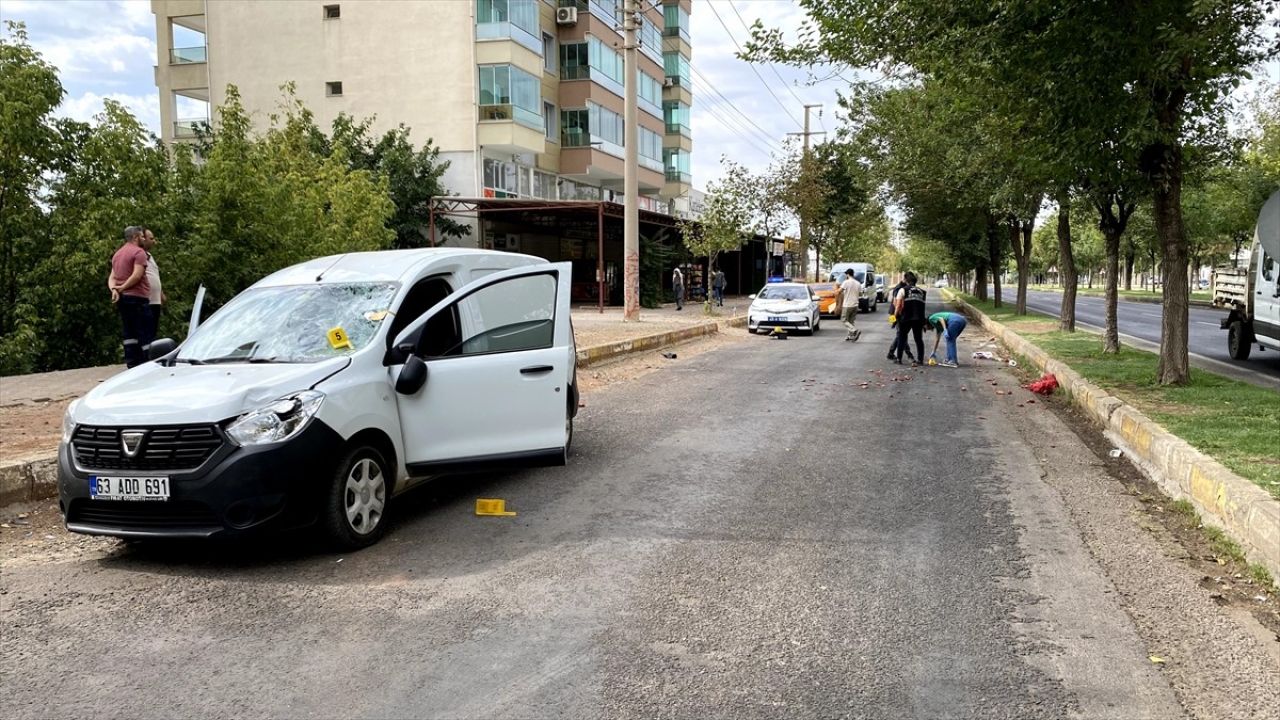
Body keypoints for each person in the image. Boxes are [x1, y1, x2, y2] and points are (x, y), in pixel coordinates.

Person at [108, 225, 154, 368]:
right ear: (135, 237)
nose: (143, 238)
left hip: (123, 299)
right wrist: (123, 287)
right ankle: (149, 363)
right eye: (141, 236)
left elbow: (112, 277)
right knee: (145, 332)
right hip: (137, 298)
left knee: (129, 332)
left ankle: (131, 362)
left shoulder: (117, 254)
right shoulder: (139, 252)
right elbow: (137, 275)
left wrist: (115, 290)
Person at [893, 272, 927, 365]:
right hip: (919, 318)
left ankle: (899, 359)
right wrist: (923, 322)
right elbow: (922, 307)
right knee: (919, 339)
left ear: (906, 280)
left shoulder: (903, 290)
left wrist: (894, 318)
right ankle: (920, 360)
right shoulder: (922, 292)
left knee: (902, 338)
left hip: (906, 318)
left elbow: (898, 306)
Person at [141, 228, 166, 338]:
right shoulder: (138, 256)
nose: (154, 241)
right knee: (146, 332)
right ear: (143, 239)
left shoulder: (150, 256)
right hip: (146, 301)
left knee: (153, 332)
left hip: (155, 301)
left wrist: (160, 293)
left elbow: (153, 275)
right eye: (151, 238)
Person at [886, 277, 916, 363]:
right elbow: (896, 304)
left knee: (901, 334)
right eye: (909, 282)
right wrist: (894, 320)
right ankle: (908, 354)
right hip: (895, 314)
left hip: (898, 313)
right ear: (906, 280)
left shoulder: (902, 287)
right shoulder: (899, 288)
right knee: (901, 334)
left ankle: (891, 353)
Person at [834, 268, 862, 342]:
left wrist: (836, 290)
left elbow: (839, 292)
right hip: (855, 305)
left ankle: (854, 330)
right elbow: (860, 293)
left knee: (844, 319)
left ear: (848, 274)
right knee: (851, 321)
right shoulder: (858, 283)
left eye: (846, 274)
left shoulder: (846, 282)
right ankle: (850, 336)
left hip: (847, 304)